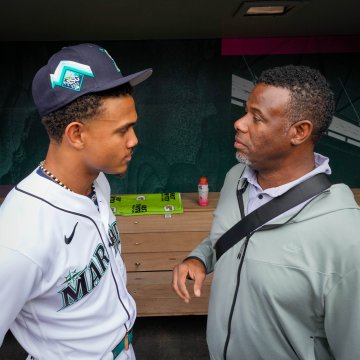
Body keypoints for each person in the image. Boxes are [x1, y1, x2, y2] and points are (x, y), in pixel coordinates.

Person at [172, 65, 360, 360]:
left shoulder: (348, 238)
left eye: (257, 118)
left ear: (299, 132)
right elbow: (231, 235)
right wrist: (200, 258)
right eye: (245, 112)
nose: (239, 123)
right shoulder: (236, 177)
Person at [0, 43, 152, 359]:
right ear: (77, 134)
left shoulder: (99, 181)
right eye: (123, 130)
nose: (134, 140)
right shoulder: (18, 235)